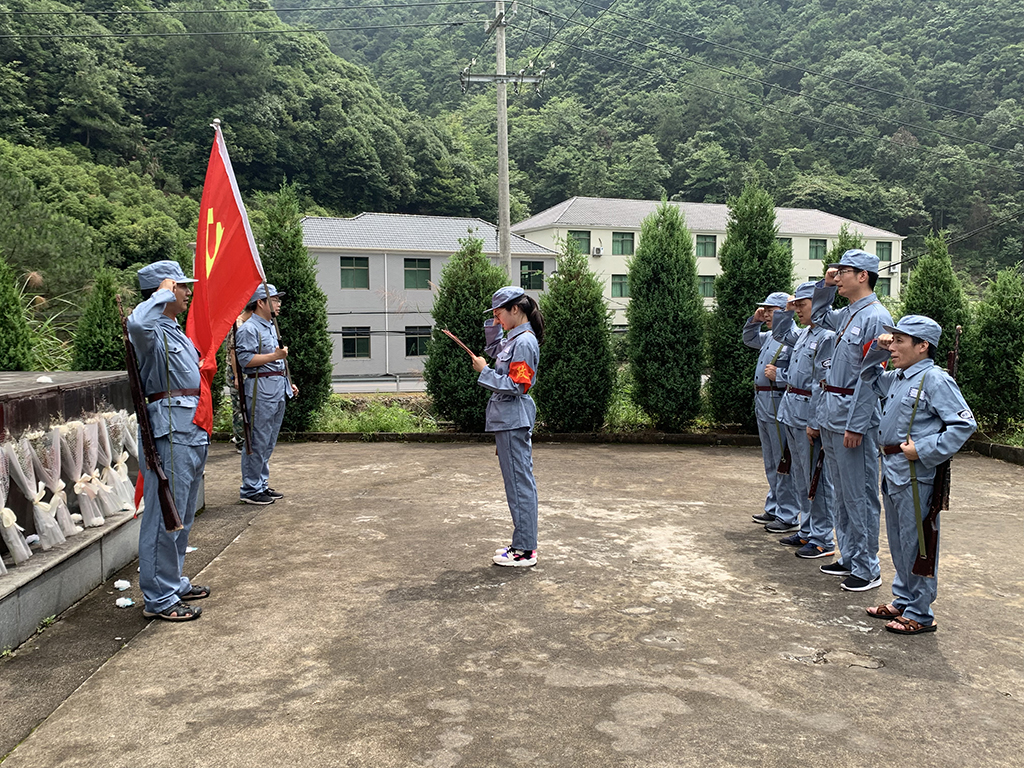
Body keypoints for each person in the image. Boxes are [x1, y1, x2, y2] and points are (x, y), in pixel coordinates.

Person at [859, 315, 975, 634]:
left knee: (919, 542)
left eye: (899, 341)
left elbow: (964, 424)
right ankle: (904, 599)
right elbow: (868, 376)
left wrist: (923, 449)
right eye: (892, 340)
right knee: (899, 541)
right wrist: (877, 348)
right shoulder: (898, 376)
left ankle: (921, 612)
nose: (892, 347)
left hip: (914, 472)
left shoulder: (934, 379)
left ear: (922, 346)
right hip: (893, 469)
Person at [127, 260, 210, 622]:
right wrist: (161, 294)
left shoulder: (172, 329)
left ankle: (172, 582)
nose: (188, 292)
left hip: (190, 426)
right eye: (182, 286)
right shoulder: (150, 328)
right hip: (170, 429)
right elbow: (136, 323)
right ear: (165, 289)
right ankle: (159, 597)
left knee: (182, 514)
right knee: (165, 515)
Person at [811, 249, 894, 592]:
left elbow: (871, 376)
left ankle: (867, 566)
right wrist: (825, 286)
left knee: (860, 494)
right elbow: (818, 316)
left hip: (853, 416)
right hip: (832, 412)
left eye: (843, 271)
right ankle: (849, 555)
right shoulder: (848, 313)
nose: (837, 275)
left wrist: (857, 425)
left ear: (863, 276)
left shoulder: (876, 317)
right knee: (842, 493)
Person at [470, 286, 544, 567]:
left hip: (513, 419)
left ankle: (525, 550)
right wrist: (494, 324)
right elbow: (495, 350)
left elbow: (518, 385)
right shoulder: (515, 339)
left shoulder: (524, 342)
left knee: (519, 484)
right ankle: (522, 544)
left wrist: (484, 371)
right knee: (516, 482)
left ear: (515, 309)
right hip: (508, 419)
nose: (497, 319)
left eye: (499, 313)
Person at [772, 282, 837, 558]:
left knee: (816, 479)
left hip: (808, 412)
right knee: (800, 475)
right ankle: (807, 529)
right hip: (792, 410)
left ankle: (823, 538)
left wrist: (815, 420)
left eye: (802, 304)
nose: (798, 309)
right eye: (796, 305)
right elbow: (779, 332)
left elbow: (822, 383)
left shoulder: (827, 336)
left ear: (818, 304)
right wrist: (785, 310)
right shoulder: (804, 334)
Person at [235, 284, 298, 505]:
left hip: (276, 388)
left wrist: (288, 382)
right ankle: (250, 489)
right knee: (257, 440)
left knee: (268, 441)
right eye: (274, 299)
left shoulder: (270, 326)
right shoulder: (249, 329)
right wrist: (275, 356)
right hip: (260, 390)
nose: (278, 304)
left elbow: (277, 362)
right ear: (261, 302)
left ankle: (260, 483)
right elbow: (245, 360)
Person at [743, 292, 799, 533]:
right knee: (770, 459)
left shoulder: (793, 337)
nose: (766, 314)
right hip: (763, 400)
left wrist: (781, 376)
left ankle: (788, 513)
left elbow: (804, 373)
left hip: (778, 399)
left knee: (783, 460)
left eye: (770, 310)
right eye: (764, 309)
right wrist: (754, 321)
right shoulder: (771, 336)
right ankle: (775, 506)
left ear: (786, 312)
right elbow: (749, 339)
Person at [226, 308, 253, 454]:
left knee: (246, 406)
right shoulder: (238, 324)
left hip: (244, 371)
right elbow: (233, 353)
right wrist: (237, 376)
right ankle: (240, 441)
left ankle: (245, 439)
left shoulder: (246, 324)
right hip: (236, 371)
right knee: (239, 407)